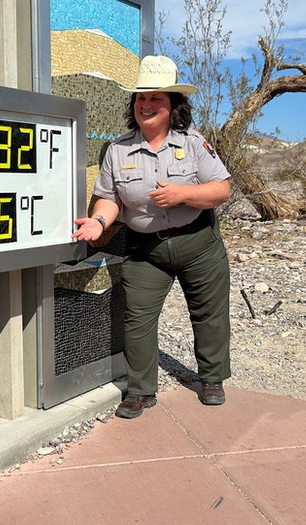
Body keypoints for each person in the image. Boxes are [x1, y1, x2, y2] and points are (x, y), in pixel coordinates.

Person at [72, 55, 232, 419]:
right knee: (137, 318)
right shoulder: (118, 149)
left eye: (156, 98)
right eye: (141, 98)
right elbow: (109, 198)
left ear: (173, 106)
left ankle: (212, 379)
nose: (146, 105)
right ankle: (141, 391)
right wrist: (98, 222)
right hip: (146, 251)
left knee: (209, 314)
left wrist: (183, 194)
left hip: (198, 244)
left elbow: (221, 190)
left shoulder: (193, 144)